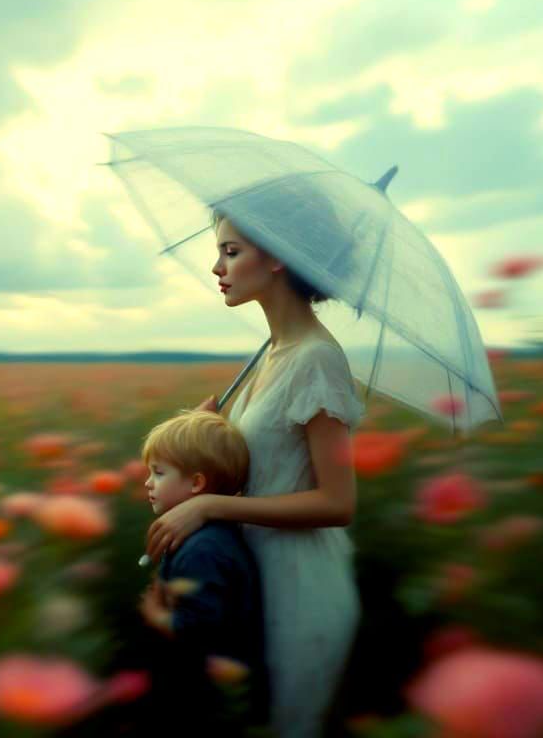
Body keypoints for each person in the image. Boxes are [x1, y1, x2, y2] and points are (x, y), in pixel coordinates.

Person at [145, 210, 366, 738]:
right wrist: (207, 435)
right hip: (252, 572)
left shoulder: (316, 359)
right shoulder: (272, 353)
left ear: (278, 259)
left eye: (232, 250)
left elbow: (338, 504)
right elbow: (265, 465)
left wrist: (208, 504)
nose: (217, 266)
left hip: (298, 585)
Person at [135, 409, 270, 730]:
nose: (147, 481)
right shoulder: (207, 536)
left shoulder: (204, 549)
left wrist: (157, 615)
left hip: (207, 692)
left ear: (197, 483)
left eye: (158, 472)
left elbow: (200, 627)